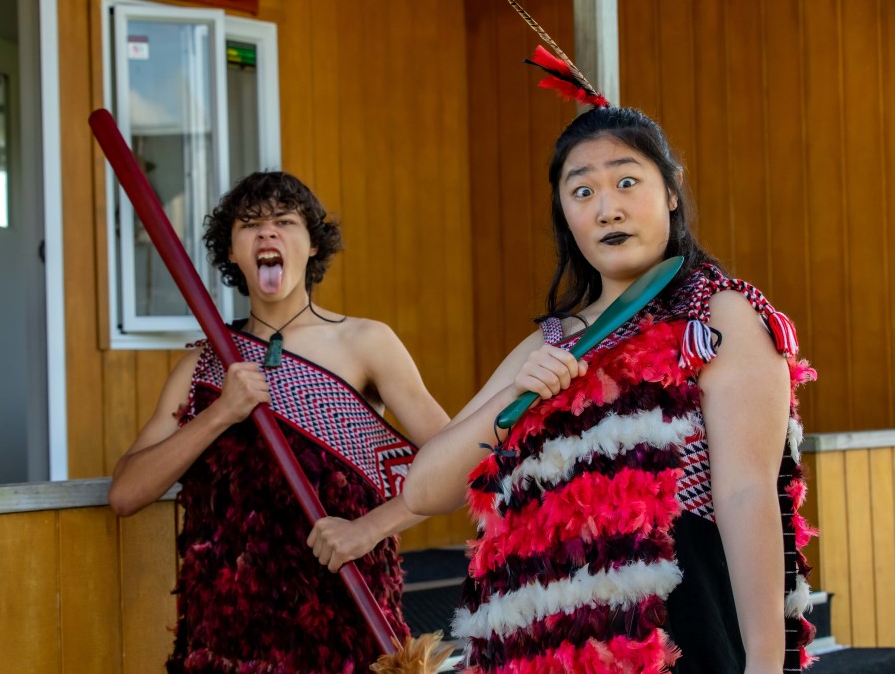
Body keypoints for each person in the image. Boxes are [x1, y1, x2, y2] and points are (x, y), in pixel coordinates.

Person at [403, 101, 816, 673]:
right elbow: (425, 491)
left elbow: (746, 492)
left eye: (626, 182)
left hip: (675, 636)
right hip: (543, 647)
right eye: (582, 192)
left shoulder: (716, 313)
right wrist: (514, 396)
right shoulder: (552, 342)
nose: (607, 210)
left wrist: (766, 663)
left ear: (671, 191)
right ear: (564, 214)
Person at [108, 171, 449, 673]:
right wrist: (220, 413)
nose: (267, 232)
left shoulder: (365, 343)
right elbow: (125, 494)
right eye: (250, 224)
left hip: (344, 620)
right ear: (232, 252)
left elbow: (457, 467)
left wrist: (369, 529)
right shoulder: (203, 366)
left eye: (285, 222)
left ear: (313, 245)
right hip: (224, 636)